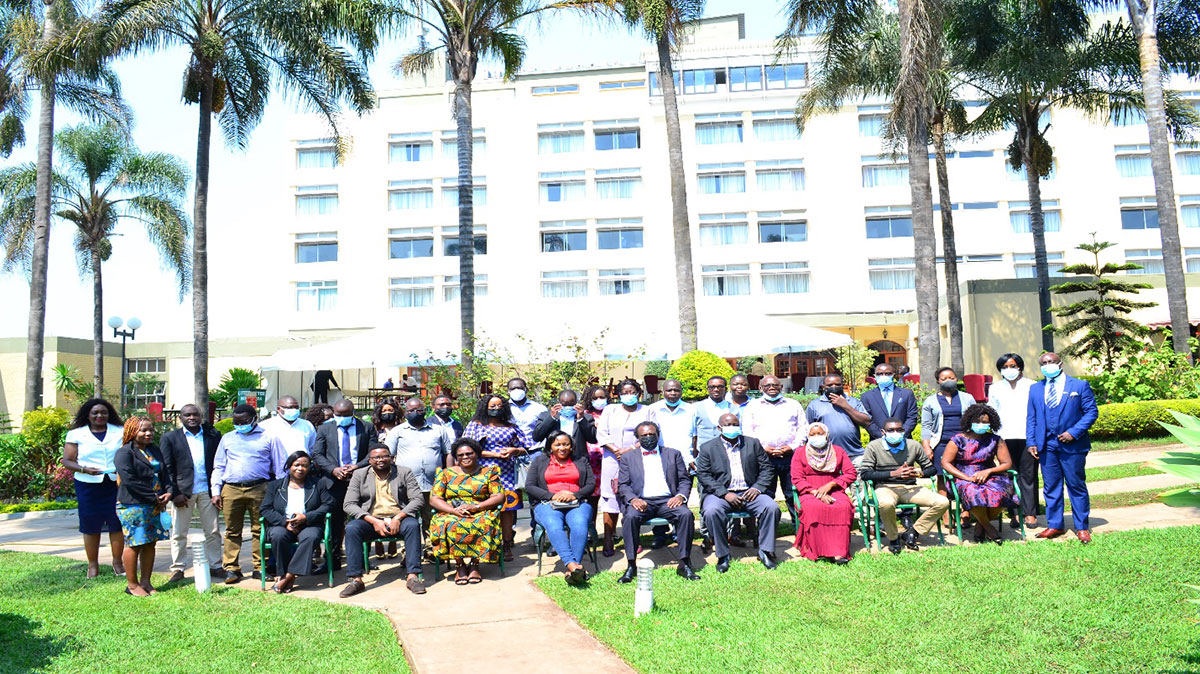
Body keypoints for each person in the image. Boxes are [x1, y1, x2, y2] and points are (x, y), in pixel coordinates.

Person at [1026, 352, 1099, 543]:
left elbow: (1091, 412)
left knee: (1075, 484)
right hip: (1046, 445)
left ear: (1060, 364)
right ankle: (1055, 524)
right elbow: (1031, 418)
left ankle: (1082, 526)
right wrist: (1031, 442)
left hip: (1073, 444)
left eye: (1051, 362)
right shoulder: (1035, 389)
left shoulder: (1079, 386)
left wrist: (1073, 432)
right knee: (1051, 487)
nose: (1047, 365)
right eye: (1043, 363)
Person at [338, 444, 426, 597]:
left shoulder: (404, 472)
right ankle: (356, 580)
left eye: (384, 456)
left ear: (391, 458)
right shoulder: (359, 474)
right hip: (371, 519)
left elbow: (417, 499)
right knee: (352, 528)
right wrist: (373, 520)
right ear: (370, 460)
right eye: (376, 457)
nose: (381, 460)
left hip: (399, 517)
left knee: (412, 525)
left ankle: (413, 577)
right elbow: (349, 504)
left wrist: (399, 517)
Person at [211, 404, 287, 583]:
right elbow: (219, 465)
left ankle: (260, 568)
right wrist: (216, 490)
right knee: (232, 530)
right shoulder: (228, 438)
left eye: (244, 421)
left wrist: (280, 491)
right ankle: (231, 568)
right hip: (231, 488)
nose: (240, 425)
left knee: (260, 529)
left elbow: (280, 465)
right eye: (236, 422)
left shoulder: (269, 436)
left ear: (255, 418)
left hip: (260, 488)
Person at [616, 421, 700, 583]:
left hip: (667, 501)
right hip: (642, 502)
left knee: (686, 514)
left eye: (651, 434)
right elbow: (623, 484)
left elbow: (684, 480)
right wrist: (633, 499)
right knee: (630, 517)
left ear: (658, 435)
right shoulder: (628, 457)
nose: (648, 438)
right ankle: (631, 564)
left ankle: (684, 563)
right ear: (638, 438)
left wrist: (680, 497)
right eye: (644, 436)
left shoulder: (673, 454)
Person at [696, 413, 780, 571]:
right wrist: (724, 493)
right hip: (721, 495)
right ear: (719, 428)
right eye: (728, 425)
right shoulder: (707, 447)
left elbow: (767, 469)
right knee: (711, 511)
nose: (732, 427)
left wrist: (757, 488)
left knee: (771, 508)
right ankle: (723, 554)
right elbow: (704, 475)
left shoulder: (752, 443)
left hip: (750, 492)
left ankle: (765, 551)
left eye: (735, 424)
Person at [859, 417, 949, 554]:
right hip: (885, 488)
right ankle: (893, 538)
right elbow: (865, 474)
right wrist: (894, 473)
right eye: (891, 430)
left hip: (910, 488)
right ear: (883, 432)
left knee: (942, 502)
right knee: (886, 503)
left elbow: (931, 469)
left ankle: (913, 532)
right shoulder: (874, 446)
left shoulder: (913, 445)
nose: (895, 433)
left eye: (899, 430)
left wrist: (917, 473)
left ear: (904, 431)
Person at [62, 398, 126, 579]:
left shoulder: (120, 431)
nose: (99, 416)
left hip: (115, 483)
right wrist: (84, 470)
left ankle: (117, 562)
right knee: (90, 524)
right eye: (95, 413)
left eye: (103, 412)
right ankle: (93, 565)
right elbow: (67, 460)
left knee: (117, 522)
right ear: (88, 415)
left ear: (109, 414)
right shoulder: (76, 434)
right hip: (87, 484)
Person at [160, 403, 224, 583]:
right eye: (187, 415)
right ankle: (178, 568)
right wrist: (174, 492)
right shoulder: (170, 438)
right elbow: (167, 468)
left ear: (201, 416)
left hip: (207, 490)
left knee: (213, 531)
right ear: (180, 418)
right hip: (183, 492)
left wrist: (217, 489)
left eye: (195, 415)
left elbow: (219, 463)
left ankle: (216, 565)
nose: (192, 418)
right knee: (179, 532)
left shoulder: (213, 436)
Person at [464, 395, 532, 561]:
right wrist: (493, 454)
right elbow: (466, 447)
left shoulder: (511, 426)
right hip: (482, 474)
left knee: (507, 511)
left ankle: (507, 544)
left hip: (507, 474)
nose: (495, 409)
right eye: (492, 406)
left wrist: (514, 451)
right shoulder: (476, 425)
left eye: (499, 406)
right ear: (484, 407)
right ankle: (483, 544)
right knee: (482, 509)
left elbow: (526, 446)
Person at [429, 438, 505, 585]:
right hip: (451, 510)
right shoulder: (445, 473)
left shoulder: (489, 472)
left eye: (469, 454)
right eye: (461, 455)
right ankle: (460, 565)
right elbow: (434, 499)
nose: (465, 457)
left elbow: (499, 496)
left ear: (477, 454)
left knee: (484, 522)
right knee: (449, 524)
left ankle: (475, 564)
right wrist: (453, 511)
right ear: (456, 457)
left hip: (480, 509)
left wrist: (477, 507)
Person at [525, 430, 596, 585]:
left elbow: (591, 484)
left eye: (566, 444)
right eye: (557, 444)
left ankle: (573, 569)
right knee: (553, 524)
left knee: (579, 524)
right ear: (551, 445)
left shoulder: (581, 460)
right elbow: (529, 486)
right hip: (547, 503)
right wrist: (552, 496)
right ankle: (572, 565)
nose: (562, 448)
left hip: (576, 502)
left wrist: (575, 495)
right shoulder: (539, 461)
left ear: (571, 446)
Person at [942, 404, 1017, 545]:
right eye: (977, 422)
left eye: (985, 422)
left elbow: (1006, 463)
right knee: (972, 491)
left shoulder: (995, 439)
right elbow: (946, 463)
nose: (981, 425)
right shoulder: (957, 439)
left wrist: (988, 471)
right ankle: (989, 527)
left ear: (991, 423)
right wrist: (966, 478)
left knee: (1003, 492)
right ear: (969, 421)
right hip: (962, 476)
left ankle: (980, 526)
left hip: (989, 474)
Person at [114, 416, 171, 596]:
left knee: (150, 543)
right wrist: (153, 496)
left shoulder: (154, 450)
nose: (148, 433)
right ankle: (132, 585)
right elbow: (130, 481)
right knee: (135, 543)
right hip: (133, 505)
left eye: (151, 430)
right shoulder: (124, 453)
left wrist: (168, 491)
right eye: (143, 430)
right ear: (132, 432)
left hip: (155, 504)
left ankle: (146, 581)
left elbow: (165, 472)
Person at [261, 451, 334, 593]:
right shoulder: (275, 486)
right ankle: (283, 573)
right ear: (289, 466)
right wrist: (284, 522)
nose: (300, 469)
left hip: (309, 524)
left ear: (309, 468)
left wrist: (307, 517)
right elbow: (265, 509)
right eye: (296, 465)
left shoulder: (318, 484)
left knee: (311, 536)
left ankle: (288, 577)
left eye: (305, 466)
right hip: (283, 525)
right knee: (277, 535)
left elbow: (328, 505)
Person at [312, 399, 373, 567]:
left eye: (345, 415)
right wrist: (333, 469)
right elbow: (317, 454)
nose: (341, 418)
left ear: (353, 413)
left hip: (359, 480)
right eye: (337, 415)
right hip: (333, 482)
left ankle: (362, 558)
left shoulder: (366, 427)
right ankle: (332, 559)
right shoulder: (325, 428)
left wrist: (357, 467)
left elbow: (372, 452)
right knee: (334, 523)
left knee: (361, 520)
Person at [385, 397, 453, 543]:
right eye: (411, 410)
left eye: (419, 410)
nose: (415, 413)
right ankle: (408, 552)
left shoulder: (438, 430)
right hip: (406, 485)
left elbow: (448, 454)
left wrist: (450, 476)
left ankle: (431, 549)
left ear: (425, 410)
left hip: (433, 484)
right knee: (407, 519)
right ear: (405, 412)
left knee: (431, 518)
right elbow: (388, 456)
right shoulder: (397, 431)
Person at [597, 379, 654, 550]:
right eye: (625, 393)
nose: (629, 396)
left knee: (634, 494)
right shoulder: (610, 409)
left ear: (639, 393)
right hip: (612, 459)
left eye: (632, 392)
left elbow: (652, 432)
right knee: (611, 497)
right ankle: (609, 538)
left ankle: (633, 539)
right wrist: (615, 450)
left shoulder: (647, 410)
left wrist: (629, 449)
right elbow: (602, 432)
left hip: (638, 457)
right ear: (618, 395)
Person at [791, 423, 858, 564]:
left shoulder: (838, 451)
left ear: (826, 434)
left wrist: (831, 484)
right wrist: (816, 492)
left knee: (843, 507)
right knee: (814, 508)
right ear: (807, 437)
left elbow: (851, 473)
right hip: (809, 491)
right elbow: (796, 478)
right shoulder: (799, 452)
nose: (816, 437)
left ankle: (839, 552)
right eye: (812, 435)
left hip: (834, 489)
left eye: (820, 434)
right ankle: (818, 550)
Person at [990, 353, 1038, 528]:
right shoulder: (995, 388)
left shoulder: (1032, 386)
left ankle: (1030, 513)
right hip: (1004, 438)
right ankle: (1014, 513)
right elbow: (993, 413)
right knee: (1009, 476)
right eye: (1005, 367)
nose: (1009, 370)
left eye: (1013, 366)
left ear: (1020, 367)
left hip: (1028, 437)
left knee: (1028, 474)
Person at [920, 367, 977, 507]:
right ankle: (945, 511)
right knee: (942, 477)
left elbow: (976, 419)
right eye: (944, 378)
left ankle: (966, 511)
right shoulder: (930, 401)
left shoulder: (967, 398)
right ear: (938, 381)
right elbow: (926, 425)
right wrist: (926, 447)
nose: (948, 381)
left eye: (951, 378)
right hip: (942, 443)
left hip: (965, 443)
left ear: (956, 379)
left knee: (965, 475)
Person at [805, 374, 872, 466]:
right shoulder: (814, 405)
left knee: (857, 480)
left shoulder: (853, 401)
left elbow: (866, 422)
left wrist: (845, 405)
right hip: (826, 455)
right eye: (830, 385)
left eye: (837, 384)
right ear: (823, 387)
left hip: (854, 454)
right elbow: (809, 430)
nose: (834, 387)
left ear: (842, 385)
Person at [581, 385, 610, 552]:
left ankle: (610, 532)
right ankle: (590, 532)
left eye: (602, 397)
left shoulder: (613, 412)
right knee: (591, 499)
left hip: (609, 459)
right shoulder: (585, 416)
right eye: (595, 398)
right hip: (591, 461)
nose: (599, 401)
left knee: (610, 498)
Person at [532, 389, 596, 460]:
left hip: (578, 460)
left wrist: (581, 419)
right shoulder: (546, 416)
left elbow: (593, 439)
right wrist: (551, 418)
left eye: (571, 404)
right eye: (564, 404)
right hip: (552, 460)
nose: (568, 407)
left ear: (576, 403)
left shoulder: (586, 417)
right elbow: (536, 437)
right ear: (559, 403)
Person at [861, 363, 918, 440]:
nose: (883, 376)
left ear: (894, 375)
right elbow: (867, 420)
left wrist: (900, 435)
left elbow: (912, 417)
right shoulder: (867, 396)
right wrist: (882, 436)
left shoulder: (906, 394)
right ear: (875, 376)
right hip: (878, 442)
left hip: (903, 440)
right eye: (879, 374)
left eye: (888, 373)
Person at [648, 379, 696, 467]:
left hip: (685, 460)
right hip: (660, 459)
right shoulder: (652, 410)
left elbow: (695, 437)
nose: (673, 393)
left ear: (681, 392)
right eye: (669, 390)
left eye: (676, 390)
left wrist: (693, 458)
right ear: (662, 392)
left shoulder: (692, 410)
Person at [693, 376, 736, 451]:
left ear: (726, 389)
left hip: (728, 451)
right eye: (712, 387)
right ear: (707, 389)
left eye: (720, 387)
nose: (716, 389)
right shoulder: (696, 407)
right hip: (704, 453)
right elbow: (693, 434)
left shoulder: (734, 409)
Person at [507, 378, 549, 448]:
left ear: (526, 390)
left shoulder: (539, 408)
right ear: (508, 391)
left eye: (520, 388)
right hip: (510, 452)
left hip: (534, 451)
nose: (516, 390)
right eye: (513, 388)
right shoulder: (503, 408)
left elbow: (545, 430)